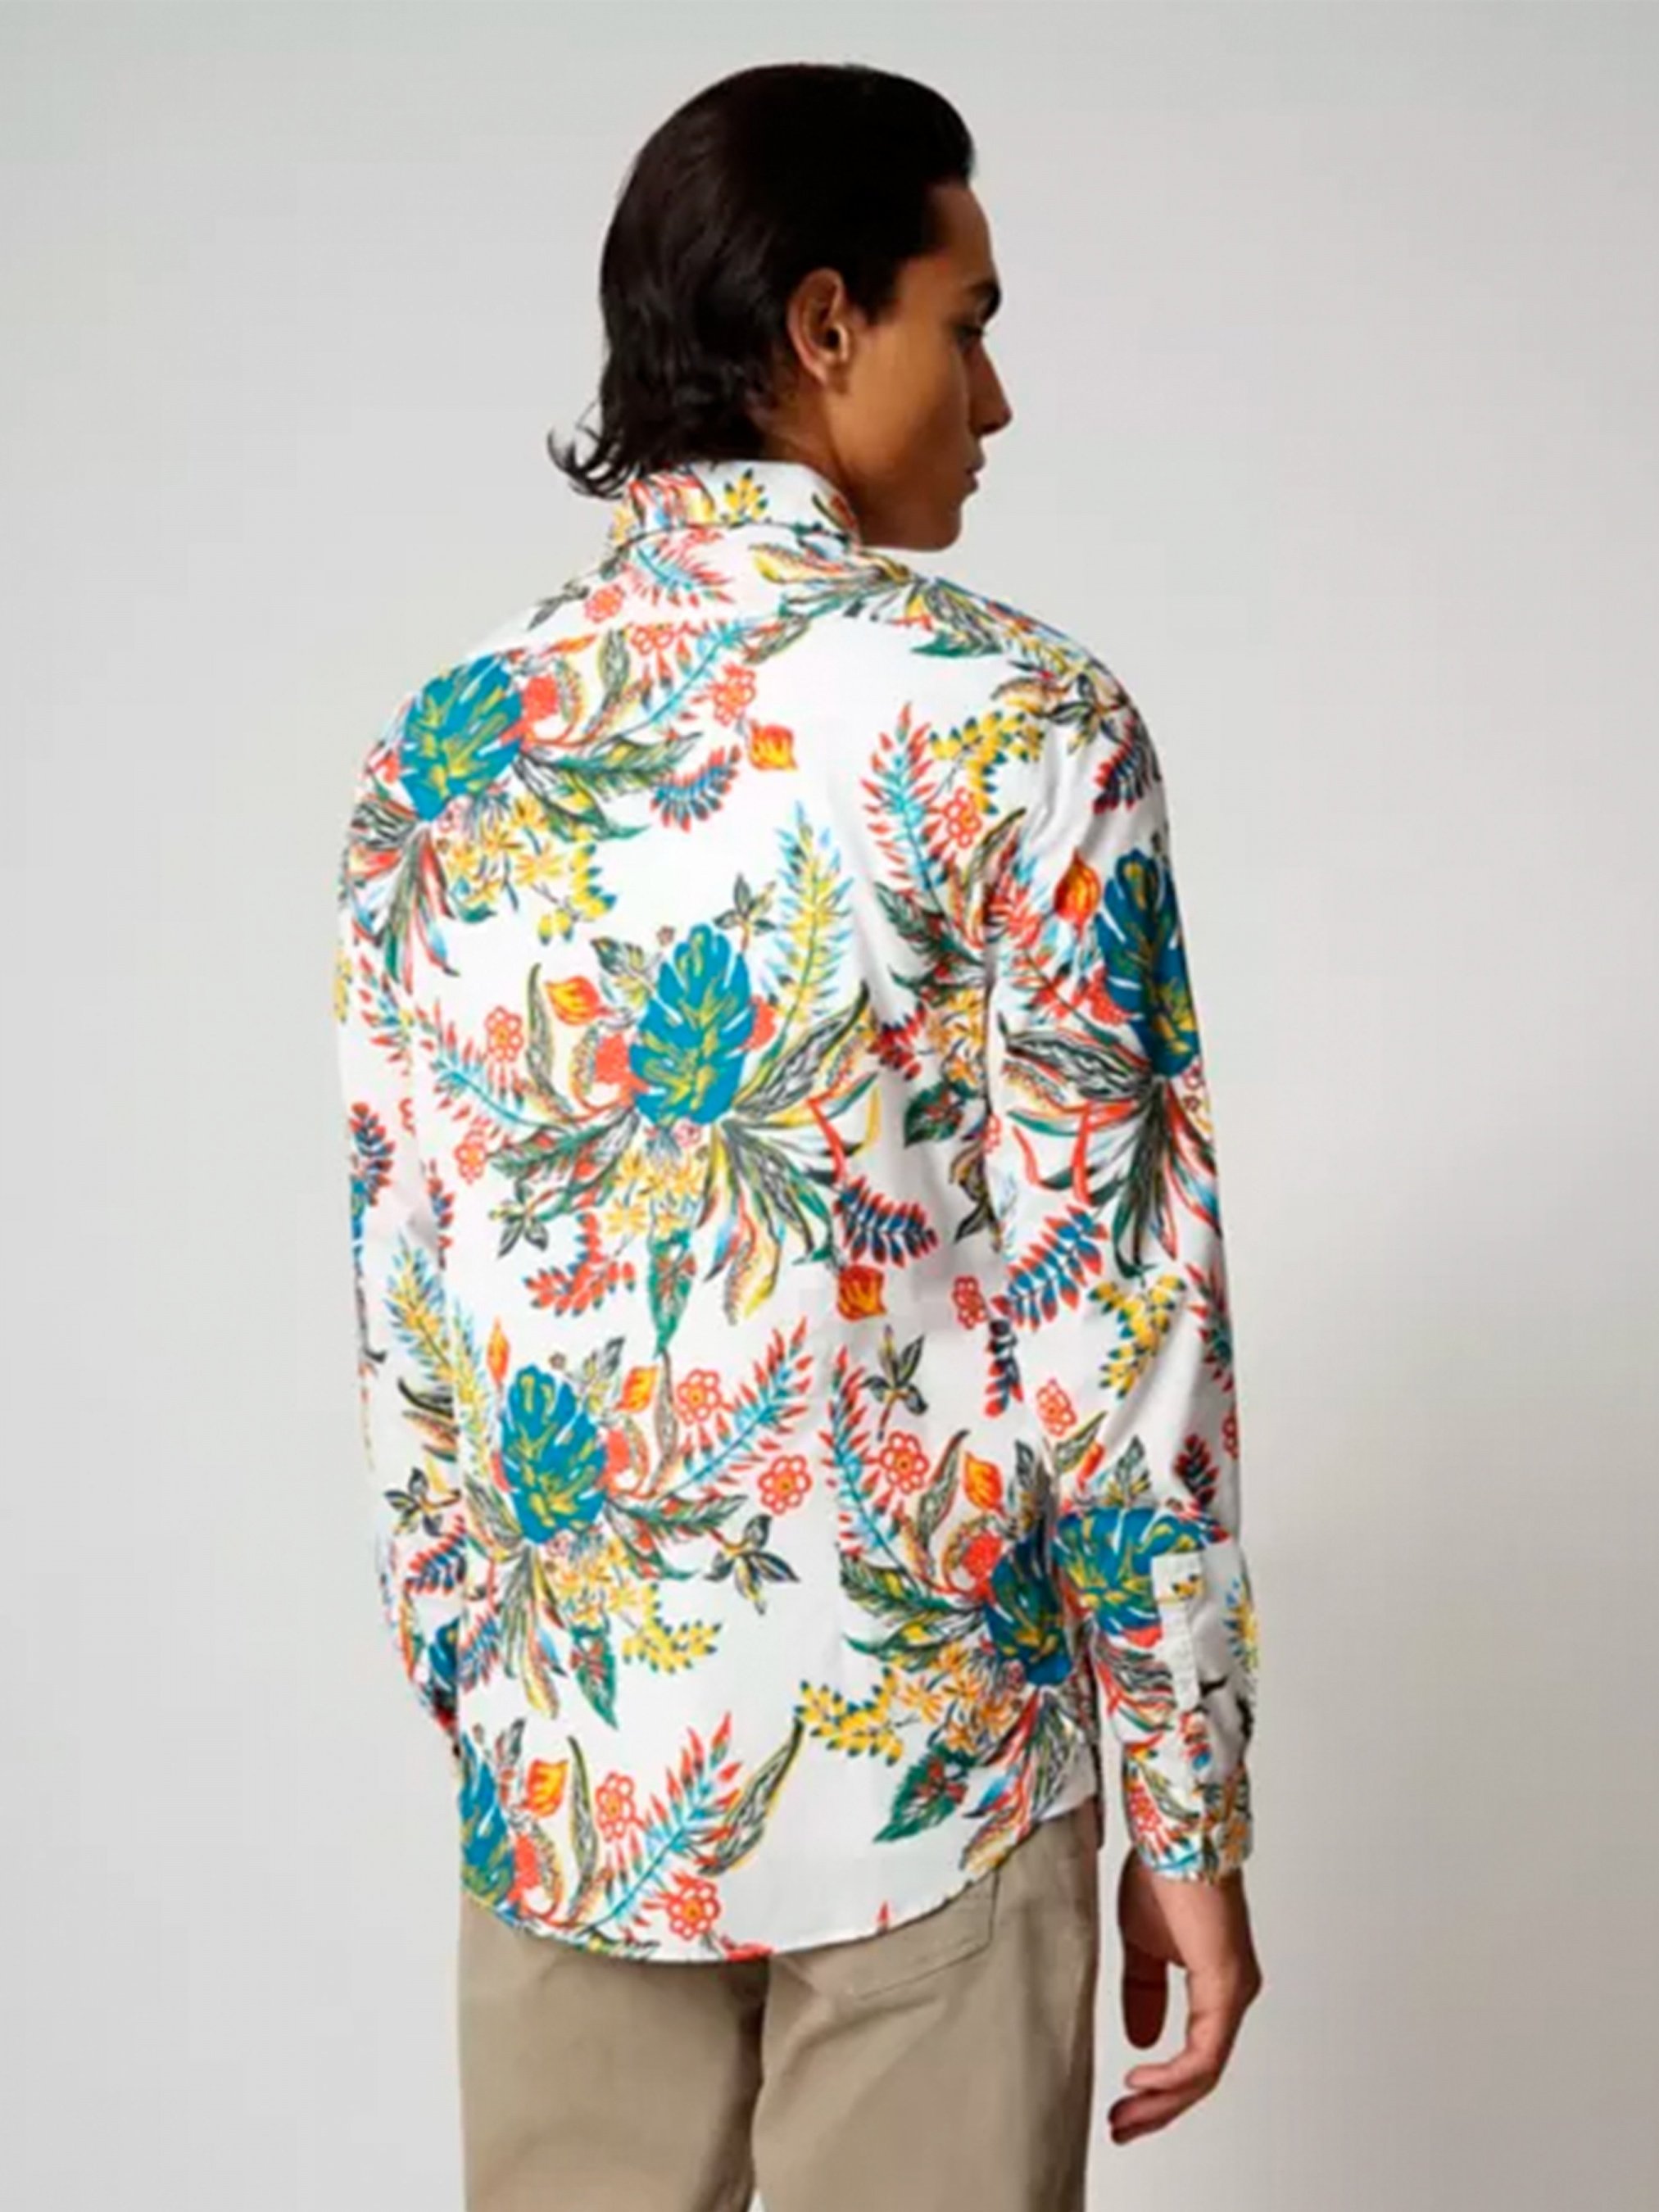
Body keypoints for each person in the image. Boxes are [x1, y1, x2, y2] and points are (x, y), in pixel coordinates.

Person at [334, 57, 1265, 2212]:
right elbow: (1126, 1320)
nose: (996, 398)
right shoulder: (1022, 719)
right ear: (826, 324)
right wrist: (1188, 1813)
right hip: (936, 1776)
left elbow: (405, 1304)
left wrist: (510, 1716)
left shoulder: (442, 749)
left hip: (572, 1789)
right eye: (971, 321)